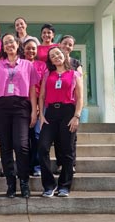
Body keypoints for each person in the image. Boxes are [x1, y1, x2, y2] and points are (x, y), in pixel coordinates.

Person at [0, 33, 39, 198]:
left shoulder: (27, 65)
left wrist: (34, 110)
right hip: (1, 107)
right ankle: (10, 184)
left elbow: (31, 89)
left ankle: (24, 182)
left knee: (21, 145)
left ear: (17, 45)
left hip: (21, 107)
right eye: (6, 43)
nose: (9, 45)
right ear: (3, 47)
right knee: (5, 146)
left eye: (12, 42)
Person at [38, 46, 83, 197]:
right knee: (43, 148)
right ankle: (49, 185)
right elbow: (42, 96)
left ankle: (64, 186)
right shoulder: (48, 74)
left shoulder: (74, 73)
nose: (56, 56)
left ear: (63, 55)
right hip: (50, 113)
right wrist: (41, 115)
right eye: (52, 56)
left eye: (58, 53)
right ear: (50, 60)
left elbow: (80, 97)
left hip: (68, 112)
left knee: (67, 151)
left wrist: (76, 116)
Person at [53, 35, 83, 175]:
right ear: (60, 44)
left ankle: (71, 164)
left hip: (72, 105)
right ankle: (60, 163)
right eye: (65, 43)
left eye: (70, 44)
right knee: (58, 137)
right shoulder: (55, 60)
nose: (67, 46)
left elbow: (80, 84)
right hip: (56, 105)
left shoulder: (76, 63)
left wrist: (78, 111)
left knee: (71, 137)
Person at [23, 39, 47, 176]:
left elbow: (43, 87)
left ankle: (37, 165)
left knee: (37, 135)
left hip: (39, 102)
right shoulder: (20, 63)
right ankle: (25, 165)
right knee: (24, 137)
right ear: (23, 49)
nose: (30, 51)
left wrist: (38, 105)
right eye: (28, 48)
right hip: (23, 103)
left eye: (33, 48)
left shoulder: (42, 65)